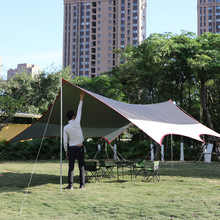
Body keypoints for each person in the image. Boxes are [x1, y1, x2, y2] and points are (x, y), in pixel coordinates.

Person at [63, 91, 85, 190]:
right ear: (74, 116)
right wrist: (81, 98)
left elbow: (64, 141)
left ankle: (70, 186)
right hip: (80, 148)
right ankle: (81, 185)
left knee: (71, 167)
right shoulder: (77, 122)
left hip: (71, 149)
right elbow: (79, 110)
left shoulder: (65, 127)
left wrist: (66, 151)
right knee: (81, 167)